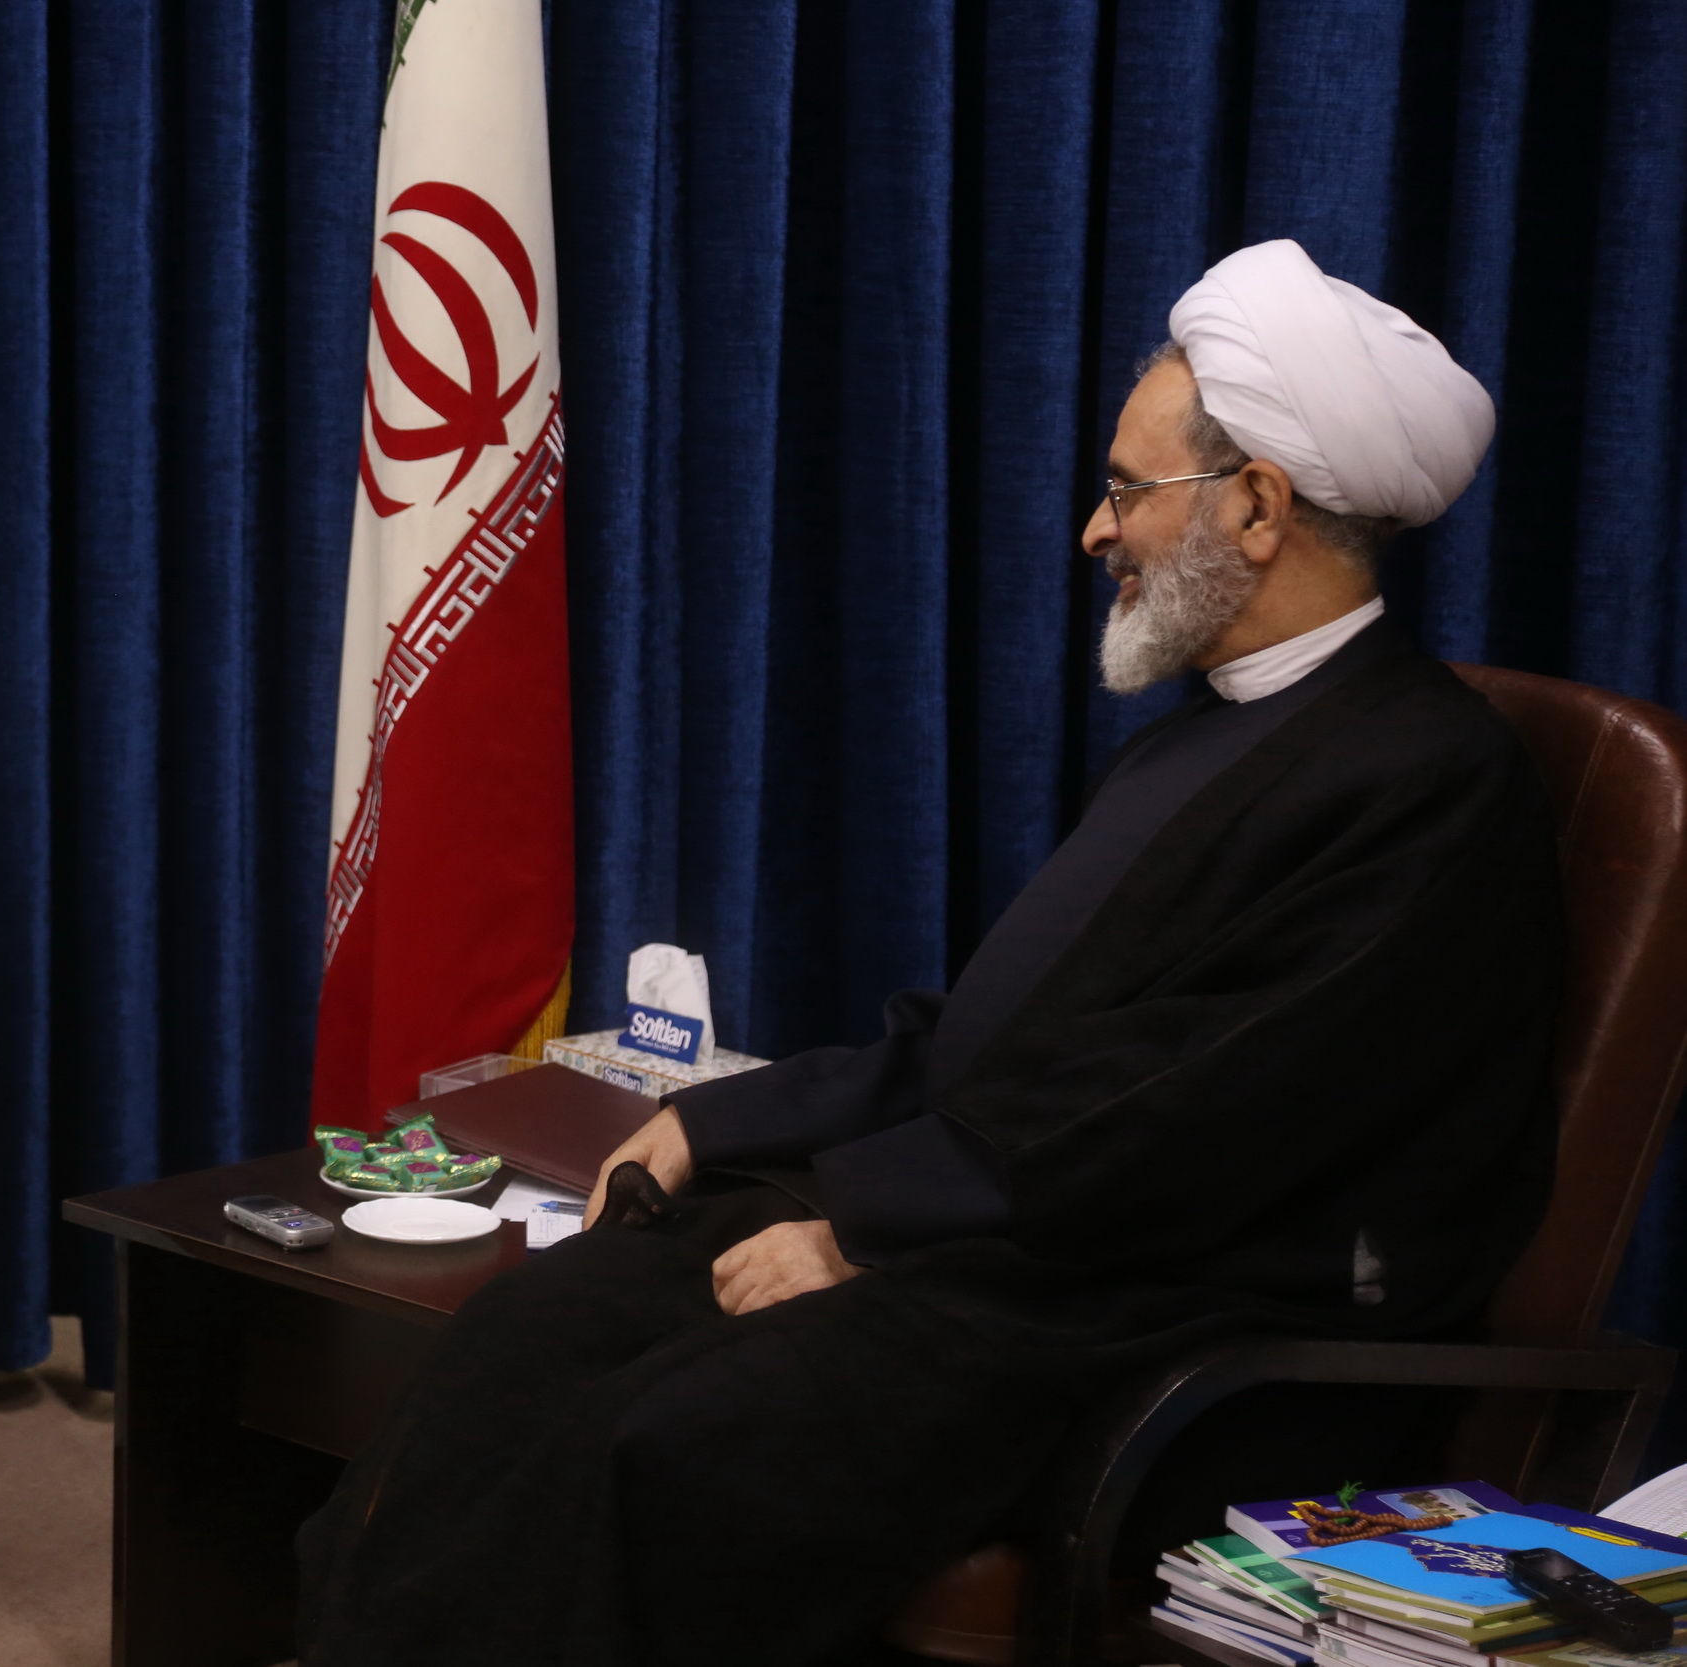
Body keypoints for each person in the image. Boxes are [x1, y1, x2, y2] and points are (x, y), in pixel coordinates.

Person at [297, 239, 1560, 1666]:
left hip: (1187, 1311)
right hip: (1037, 1233)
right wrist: (704, 1125)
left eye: (1127, 490)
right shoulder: (1214, 737)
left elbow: (1192, 1117)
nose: (1097, 532)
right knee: (540, 1330)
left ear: (1257, 506)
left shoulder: (1430, 785)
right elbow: (991, 1045)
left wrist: (859, 1229)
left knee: (684, 1435)